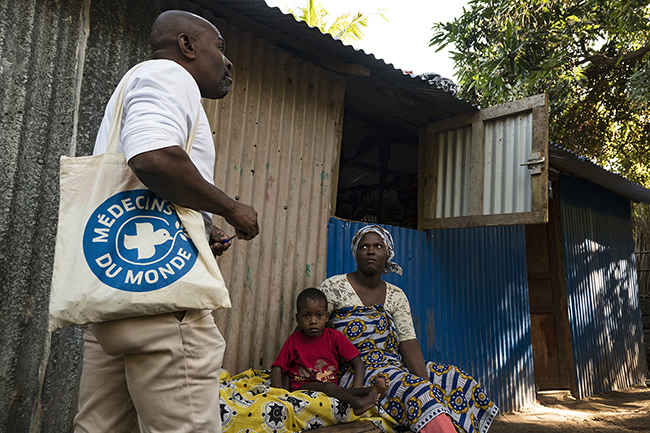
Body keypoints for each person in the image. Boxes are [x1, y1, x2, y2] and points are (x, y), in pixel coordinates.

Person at [73, 10, 259, 433]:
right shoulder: (169, 75)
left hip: (115, 299)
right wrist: (231, 208)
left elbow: (144, 174)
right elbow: (153, 157)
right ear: (187, 46)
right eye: (221, 48)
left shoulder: (135, 85)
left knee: (100, 426)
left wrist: (201, 225)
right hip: (160, 305)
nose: (228, 62)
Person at [318, 225, 499, 433]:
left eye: (378, 246)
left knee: (455, 378)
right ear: (355, 253)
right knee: (412, 388)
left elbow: (408, 342)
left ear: (387, 254)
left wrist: (425, 383)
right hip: (357, 371)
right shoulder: (333, 287)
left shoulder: (396, 295)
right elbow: (307, 332)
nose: (370, 251)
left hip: (394, 364)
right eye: (364, 246)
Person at [270, 288, 387, 415]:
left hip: (331, 389)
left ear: (326, 317)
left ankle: (372, 390)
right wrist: (280, 394)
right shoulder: (294, 340)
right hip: (302, 388)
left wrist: (357, 387)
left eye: (319, 315)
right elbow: (277, 368)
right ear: (298, 319)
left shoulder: (334, 337)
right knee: (329, 387)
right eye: (306, 316)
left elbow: (358, 363)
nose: (313, 321)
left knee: (337, 390)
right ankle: (356, 403)